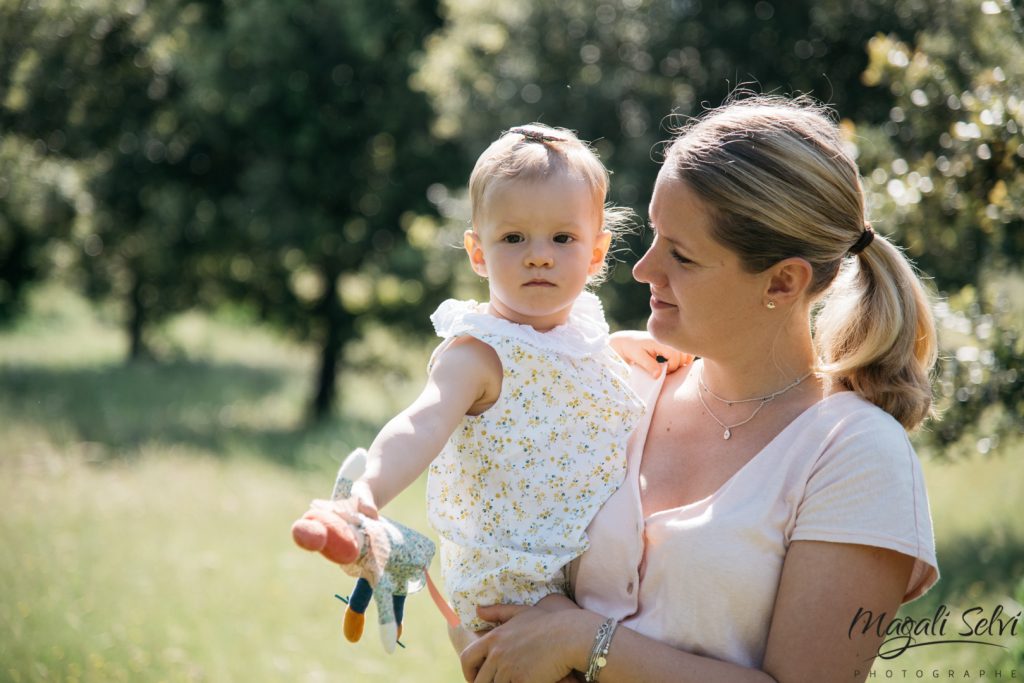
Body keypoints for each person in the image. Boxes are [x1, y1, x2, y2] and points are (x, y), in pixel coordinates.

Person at [456, 95, 940, 682]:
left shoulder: (856, 455)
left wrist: (587, 642)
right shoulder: (616, 386)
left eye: (681, 255)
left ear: (783, 282)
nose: (643, 269)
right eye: (657, 235)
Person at [340, 123, 688, 632]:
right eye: (513, 237)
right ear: (478, 252)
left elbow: (556, 371)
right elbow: (420, 424)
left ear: (595, 253)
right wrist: (368, 489)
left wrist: (615, 347)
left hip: (587, 571)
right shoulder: (477, 354)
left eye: (563, 238)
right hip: (516, 586)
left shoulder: (587, 337)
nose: (539, 254)